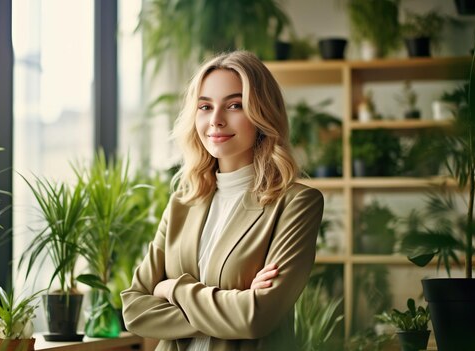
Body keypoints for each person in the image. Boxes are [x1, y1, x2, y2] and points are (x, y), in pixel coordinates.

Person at [121, 50, 324, 351]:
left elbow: (256, 317)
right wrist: (234, 306)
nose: (216, 120)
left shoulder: (297, 204)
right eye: (205, 106)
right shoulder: (181, 203)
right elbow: (134, 309)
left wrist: (172, 288)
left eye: (234, 105)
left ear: (262, 114)